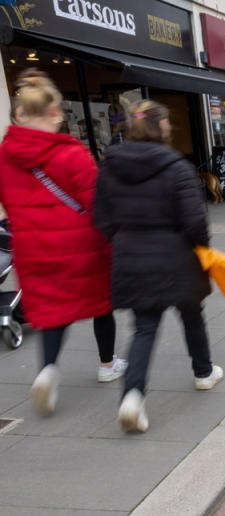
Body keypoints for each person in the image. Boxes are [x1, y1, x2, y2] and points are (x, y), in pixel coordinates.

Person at [0, 68, 127, 417]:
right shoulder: (71, 153)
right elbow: (99, 204)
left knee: (54, 313)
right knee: (102, 305)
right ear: (55, 113)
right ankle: (107, 363)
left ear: (20, 115)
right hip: (82, 247)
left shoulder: (4, 157)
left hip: (33, 250)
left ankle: (48, 370)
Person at [94, 100, 221, 432]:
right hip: (177, 255)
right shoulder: (176, 166)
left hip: (132, 256)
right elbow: (195, 221)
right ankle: (203, 373)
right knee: (192, 314)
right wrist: (203, 251)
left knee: (144, 328)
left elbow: (102, 219)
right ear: (162, 127)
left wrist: (124, 242)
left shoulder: (110, 166)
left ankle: (133, 397)